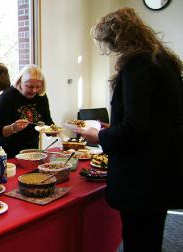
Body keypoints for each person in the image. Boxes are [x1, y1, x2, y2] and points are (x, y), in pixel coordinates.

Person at [76, 8, 183, 252]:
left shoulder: (139, 63)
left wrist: (100, 135)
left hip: (142, 177)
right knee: (150, 237)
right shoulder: (163, 61)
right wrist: (115, 127)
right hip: (162, 170)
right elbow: (155, 120)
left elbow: (136, 127)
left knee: (138, 241)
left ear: (116, 38)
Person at [0, 64, 55, 158]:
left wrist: (53, 130)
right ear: (20, 82)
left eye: (37, 87)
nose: (34, 90)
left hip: (32, 148)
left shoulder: (41, 96)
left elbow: (47, 121)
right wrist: (13, 128)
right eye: (29, 87)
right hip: (9, 151)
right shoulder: (6, 97)